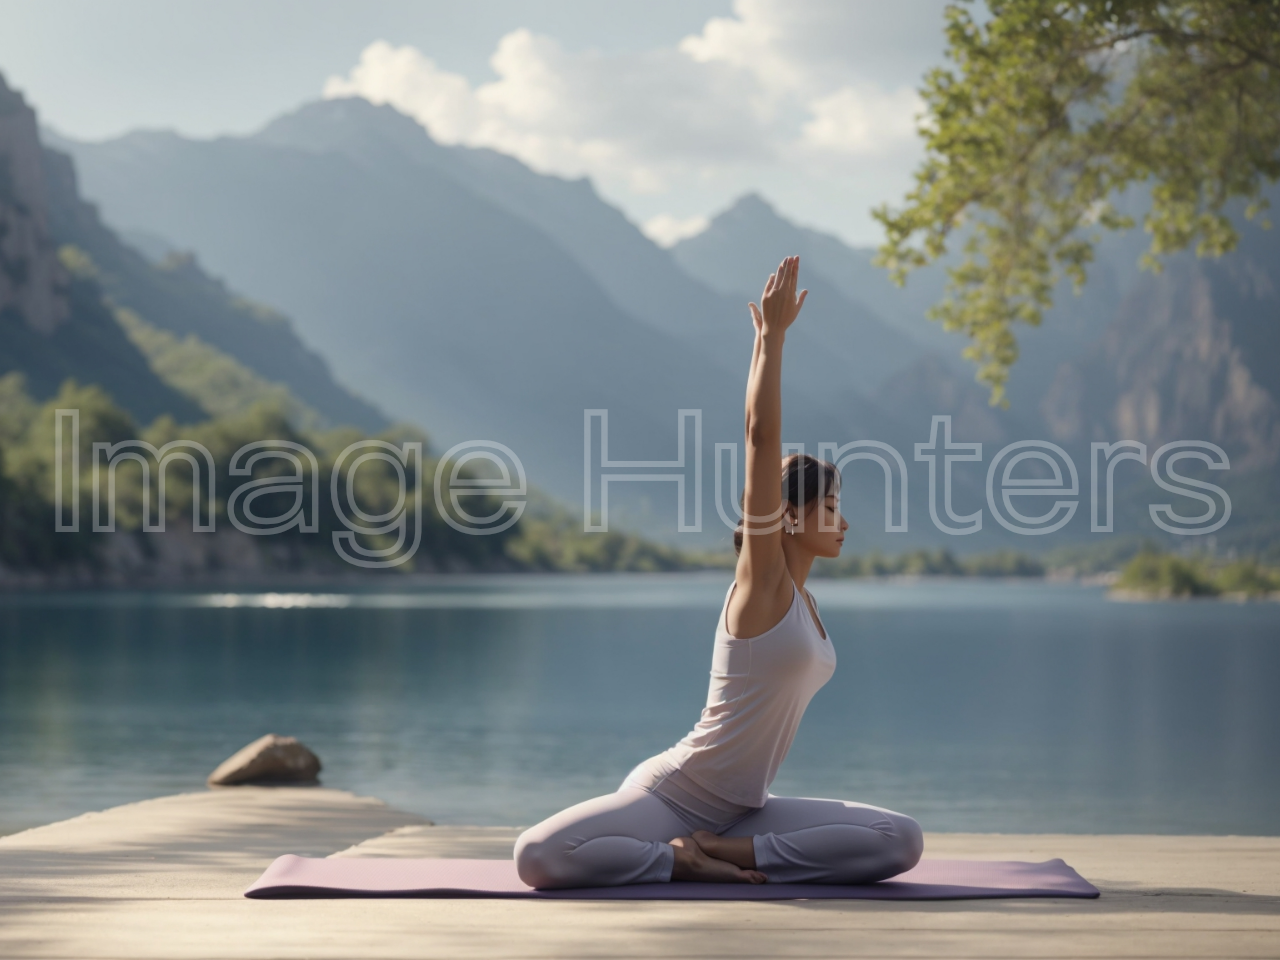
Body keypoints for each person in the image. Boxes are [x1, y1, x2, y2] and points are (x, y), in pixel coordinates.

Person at [515, 256, 923, 888]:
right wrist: (771, 339)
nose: (845, 523)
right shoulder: (762, 586)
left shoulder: (807, 606)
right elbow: (761, 439)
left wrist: (736, 843)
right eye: (834, 507)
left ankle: (722, 854)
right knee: (538, 856)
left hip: (742, 815)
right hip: (671, 798)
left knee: (899, 840)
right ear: (788, 516)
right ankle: (677, 857)